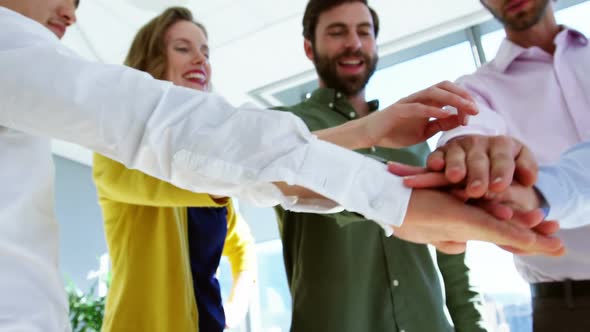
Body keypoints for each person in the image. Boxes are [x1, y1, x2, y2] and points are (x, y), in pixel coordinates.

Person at [0, 1, 564, 331]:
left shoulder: (414, 134)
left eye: (205, 49)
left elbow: (240, 213)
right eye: (182, 48)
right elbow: (172, 139)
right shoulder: (139, 145)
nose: (73, 11)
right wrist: (378, 164)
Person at [273, 1, 487, 331]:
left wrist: (472, 326)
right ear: (308, 47)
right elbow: (271, 165)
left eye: (364, 32)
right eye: (337, 32)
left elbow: (451, 249)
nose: (354, 43)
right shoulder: (285, 128)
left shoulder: (415, 139)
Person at [394, 0, 590, 330]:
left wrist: (541, 194)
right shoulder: (476, 91)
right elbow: (467, 130)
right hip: (570, 311)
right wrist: (465, 155)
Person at [93, 7, 255, 332]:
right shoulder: (116, 148)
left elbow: (243, 247)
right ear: (150, 61)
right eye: (183, 48)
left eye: (205, 51)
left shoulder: (210, 170)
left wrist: (236, 306)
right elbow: (197, 181)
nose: (201, 59)